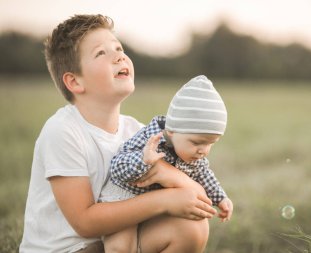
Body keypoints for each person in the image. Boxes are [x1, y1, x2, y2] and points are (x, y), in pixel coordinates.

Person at [19, 14, 218, 253]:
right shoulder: (62, 131)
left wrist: (169, 175)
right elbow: (85, 223)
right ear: (74, 82)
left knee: (192, 227)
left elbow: (194, 197)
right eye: (101, 53)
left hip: (115, 243)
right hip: (69, 249)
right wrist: (164, 200)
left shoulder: (138, 132)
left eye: (119, 48)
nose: (119, 55)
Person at [100, 75, 234, 252]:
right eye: (196, 142)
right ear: (171, 132)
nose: (203, 150)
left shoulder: (194, 155)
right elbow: (117, 166)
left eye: (210, 143)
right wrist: (143, 160)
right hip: (123, 200)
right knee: (121, 248)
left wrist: (220, 198)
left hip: (154, 208)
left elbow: (205, 176)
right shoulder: (150, 139)